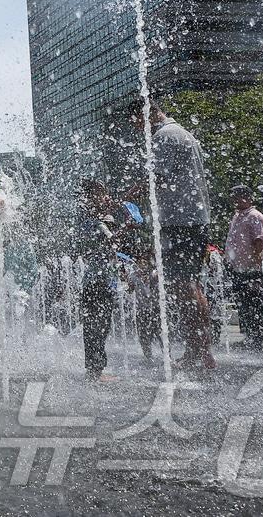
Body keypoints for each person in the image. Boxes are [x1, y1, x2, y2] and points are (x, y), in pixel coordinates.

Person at [134, 98, 214, 372]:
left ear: (148, 115)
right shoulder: (182, 133)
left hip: (180, 221)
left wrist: (122, 198)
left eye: (137, 122)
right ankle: (202, 352)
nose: (137, 129)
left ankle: (198, 352)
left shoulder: (165, 136)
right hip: (192, 219)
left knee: (184, 287)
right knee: (189, 285)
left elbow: (154, 178)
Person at [73, 181, 128, 381]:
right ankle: (95, 370)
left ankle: (95, 369)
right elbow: (110, 242)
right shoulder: (92, 222)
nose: (105, 198)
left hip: (101, 280)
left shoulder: (95, 220)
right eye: (101, 195)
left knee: (98, 325)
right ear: (90, 199)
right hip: (97, 282)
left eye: (105, 194)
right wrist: (127, 226)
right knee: (97, 325)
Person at [223, 185, 263, 347]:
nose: (236, 200)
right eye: (234, 197)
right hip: (238, 268)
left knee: (255, 302)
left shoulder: (254, 216)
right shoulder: (238, 216)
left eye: (239, 196)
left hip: (251, 268)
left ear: (249, 198)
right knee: (243, 302)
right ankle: (250, 335)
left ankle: (262, 337)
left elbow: (259, 240)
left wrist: (256, 259)